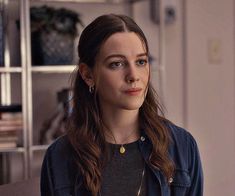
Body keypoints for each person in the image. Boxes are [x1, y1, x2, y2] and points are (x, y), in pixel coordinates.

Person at [40, 14, 203, 196]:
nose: (134, 75)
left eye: (141, 62)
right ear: (88, 75)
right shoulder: (59, 157)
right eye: (116, 64)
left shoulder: (182, 146)